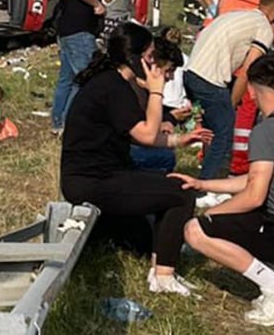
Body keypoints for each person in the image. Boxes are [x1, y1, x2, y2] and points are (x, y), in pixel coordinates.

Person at [175, 55, 274, 327]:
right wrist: (204, 184)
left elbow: (254, 195)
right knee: (217, 222)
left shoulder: (265, 131)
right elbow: (255, 179)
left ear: (250, 90)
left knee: (195, 231)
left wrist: (211, 215)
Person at [60, 23, 213, 296]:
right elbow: (146, 134)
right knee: (182, 191)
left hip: (96, 176)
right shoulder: (113, 87)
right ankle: (164, 277)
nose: (154, 64)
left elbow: (136, 134)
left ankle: (154, 257)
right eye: (151, 56)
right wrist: (156, 91)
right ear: (135, 57)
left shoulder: (112, 81)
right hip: (94, 181)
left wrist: (179, 140)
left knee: (145, 241)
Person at [183, 0, 274, 181]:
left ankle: (206, 166)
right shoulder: (264, 28)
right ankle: (208, 184)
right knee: (224, 133)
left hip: (191, 71)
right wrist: (232, 103)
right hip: (210, 78)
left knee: (211, 129)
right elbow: (248, 70)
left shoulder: (241, 14)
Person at [51, 0, 109, 133]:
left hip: (65, 28)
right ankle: (73, 123)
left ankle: (58, 122)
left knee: (67, 79)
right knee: (86, 79)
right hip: (80, 29)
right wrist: (97, 5)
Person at [129, 35, 191, 173]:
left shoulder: (141, 85)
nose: (171, 77)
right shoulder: (135, 88)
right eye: (169, 70)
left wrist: (169, 119)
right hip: (116, 152)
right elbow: (141, 136)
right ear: (152, 61)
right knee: (165, 157)